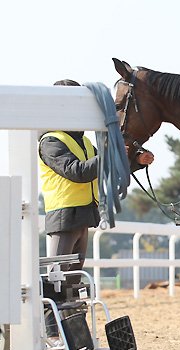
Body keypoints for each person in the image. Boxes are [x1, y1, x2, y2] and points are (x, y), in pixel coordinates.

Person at [39, 79, 154, 298]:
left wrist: (136, 161)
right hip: (64, 217)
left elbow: (105, 170)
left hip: (82, 216)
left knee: (73, 282)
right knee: (57, 282)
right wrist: (110, 154)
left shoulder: (84, 143)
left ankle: (72, 328)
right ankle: (54, 329)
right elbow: (77, 172)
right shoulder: (51, 141)